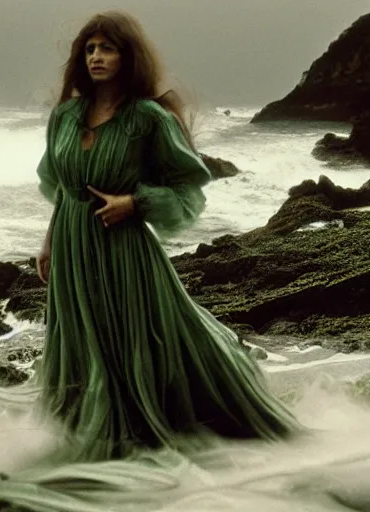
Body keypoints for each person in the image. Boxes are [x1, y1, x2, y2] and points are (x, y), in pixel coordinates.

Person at [32, 10, 300, 462]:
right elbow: (63, 188)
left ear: (128, 55)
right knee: (83, 340)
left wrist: (135, 203)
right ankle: (82, 430)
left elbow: (187, 185)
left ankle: (139, 432)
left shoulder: (148, 119)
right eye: (90, 48)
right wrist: (48, 242)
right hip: (75, 249)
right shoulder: (65, 117)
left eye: (108, 48)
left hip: (124, 249)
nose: (97, 56)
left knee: (140, 339)